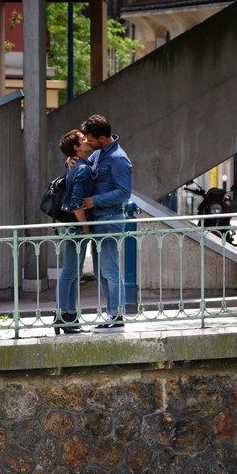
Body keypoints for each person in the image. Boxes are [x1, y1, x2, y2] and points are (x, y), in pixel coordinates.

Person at [80, 114, 132, 329]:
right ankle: (112, 314)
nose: (88, 143)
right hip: (100, 221)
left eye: (90, 140)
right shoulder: (98, 154)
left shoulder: (118, 158)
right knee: (102, 272)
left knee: (110, 271)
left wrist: (94, 201)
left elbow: (124, 192)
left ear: (102, 137)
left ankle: (116, 315)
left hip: (110, 219)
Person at [53, 130, 94, 335]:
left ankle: (68, 315)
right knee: (70, 271)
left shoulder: (76, 166)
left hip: (69, 226)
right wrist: (86, 228)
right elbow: (76, 202)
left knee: (71, 271)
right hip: (75, 227)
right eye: (82, 139)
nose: (87, 140)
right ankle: (63, 315)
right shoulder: (82, 170)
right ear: (77, 148)